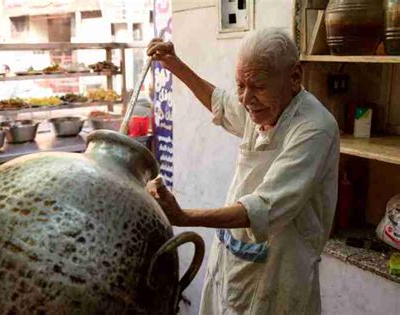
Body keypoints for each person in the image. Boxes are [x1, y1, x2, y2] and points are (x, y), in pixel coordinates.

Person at [146, 28, 340, 314]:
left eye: (258, 86)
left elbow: (264, 207)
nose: (246, 99)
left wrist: (184, 216)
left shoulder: (314, 129)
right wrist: (175, 64)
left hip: (281, 271)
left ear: (295, 77)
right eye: (241, 85)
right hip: (234, 257)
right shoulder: (260, 109)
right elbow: (221, 103)